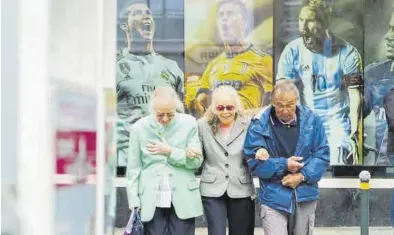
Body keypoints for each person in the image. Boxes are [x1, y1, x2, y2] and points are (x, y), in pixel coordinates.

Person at [276, 0, 363, 165]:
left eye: (310, 21)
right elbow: (282, 94)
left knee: (337, 168)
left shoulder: (348, 53)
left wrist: (354, 134)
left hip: (337, 126)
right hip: (304, 126)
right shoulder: (292, 51)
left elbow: (354, 95)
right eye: (301, 20)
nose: (303, 27)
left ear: (324, 23)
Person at [244, 80, 330, 235]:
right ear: (272, 103)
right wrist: (284, 165)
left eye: (290, 104)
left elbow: (322, 155)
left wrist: (302, 176)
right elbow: (254, 163)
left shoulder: (312, 120)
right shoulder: (259, 123)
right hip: (273, 196)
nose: (285, 110)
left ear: (297, 101)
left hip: (305, 194)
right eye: (279, 105)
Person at [126, 86, 203, 235]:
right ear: (152, 109)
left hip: (183, 194)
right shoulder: (139, 128)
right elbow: (133, 168)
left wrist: (170, 152)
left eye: (170, 114)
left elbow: (196, 162)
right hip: (150, 196)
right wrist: (133, 200)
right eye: (160, 114)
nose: (165, 119)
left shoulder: (189, 123)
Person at [116, 0, 185, 167]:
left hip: (165, 157)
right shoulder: (115, 68)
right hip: (128, 159)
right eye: (138, 13)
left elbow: (183, 116)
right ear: (125, 26)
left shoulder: (171, 68)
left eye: (148, 13)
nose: (146, 16)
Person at [194, 0, 273, 116]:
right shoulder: (213, 64)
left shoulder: (262, 60)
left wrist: (244, 115)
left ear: (244, 21)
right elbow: (201, 102)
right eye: (221, 15)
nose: (224, 19)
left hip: (247, 129)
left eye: (230, 14)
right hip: (219, 130)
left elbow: (273, 107)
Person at [197, 85, 255, 235]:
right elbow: (198, 157)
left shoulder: (248, 124)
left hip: (241, 188)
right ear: (214, 108)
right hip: (212, 189)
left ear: (236, 106)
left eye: (230, 107)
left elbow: (255, 150)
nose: (225, 112)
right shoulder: (203, 125)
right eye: (220, 107)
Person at [363, 11, 394, 165]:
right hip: (380, 174)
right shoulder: (373, 74)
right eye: (389, 28)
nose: (388, 36)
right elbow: (354, 114)